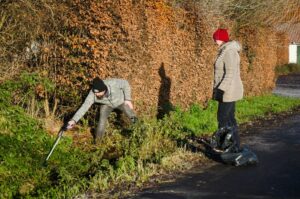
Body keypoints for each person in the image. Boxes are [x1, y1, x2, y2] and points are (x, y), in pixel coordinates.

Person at [67, 77, 137, 143]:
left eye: (98, 93)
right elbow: (84, 107)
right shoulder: (92, 94)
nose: (96, 94)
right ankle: (98, 143)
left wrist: (127, 99)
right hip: (106, 105)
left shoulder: (112, 83)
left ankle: (140, 129)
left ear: (103, 90)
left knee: (130, 113)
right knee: (102, 120)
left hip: (120, 101)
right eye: (95, 92)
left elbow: (125, 83)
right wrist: (74, 120)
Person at [211, 28, 243, 152]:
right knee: (229, 118)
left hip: (229, 91)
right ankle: (234, 145)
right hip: (227, 90)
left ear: (221, 39)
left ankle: (225, 145)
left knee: (223, 118)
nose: (214, 41)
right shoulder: (224, 50)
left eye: (216, 38)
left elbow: (230, 73)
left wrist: (221, 90)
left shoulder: (229, 52)